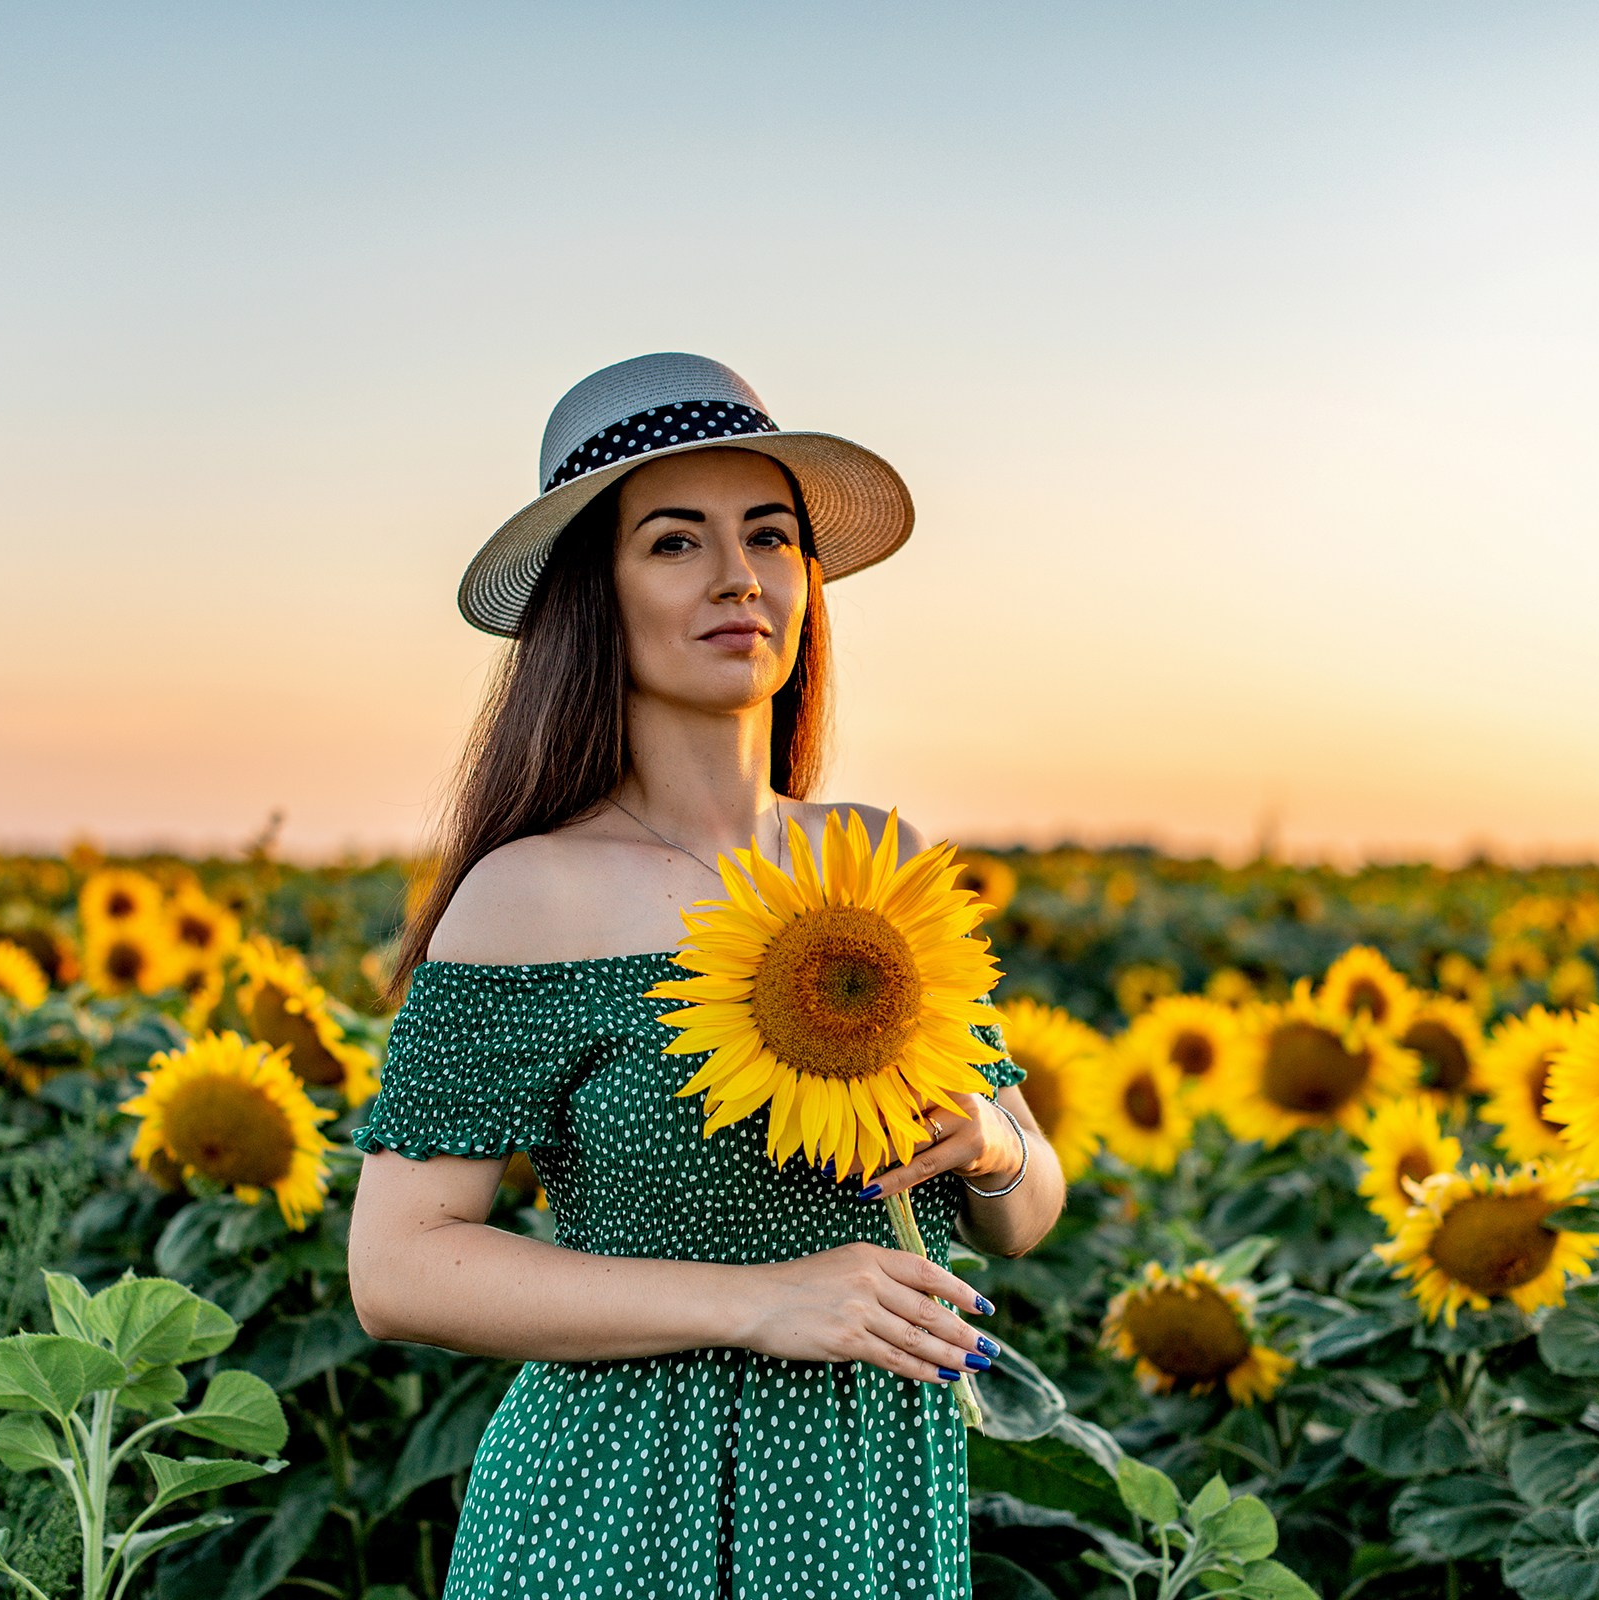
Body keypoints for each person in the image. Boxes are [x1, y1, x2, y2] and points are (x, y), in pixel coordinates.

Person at [348, 353, 1067, 1598]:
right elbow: (399, 1266)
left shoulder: (871, 856)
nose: (740, 576)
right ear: (594, 594)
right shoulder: (531, 893)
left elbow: (1025, 1209)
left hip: (868, 1496)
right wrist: (763, 1302)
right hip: (622, 1495)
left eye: (771, 537)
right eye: (675, 542)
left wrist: (994, 1144)